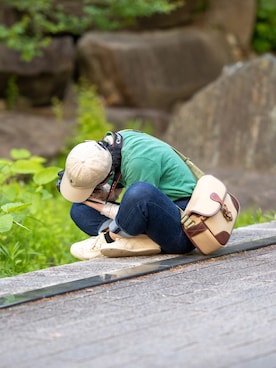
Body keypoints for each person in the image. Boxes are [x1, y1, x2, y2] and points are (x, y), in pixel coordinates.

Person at [58, 130, 197, 260]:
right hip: (152, 210)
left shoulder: (138, 161)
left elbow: (138, 208)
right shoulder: (113, 147)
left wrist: (104, 209)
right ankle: (136, 241)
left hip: (182, 227)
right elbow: (116, 193)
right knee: (80, 209)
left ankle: (109, 239)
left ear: (107, 176)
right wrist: (90, 196)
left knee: (138, 192)